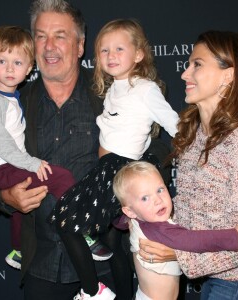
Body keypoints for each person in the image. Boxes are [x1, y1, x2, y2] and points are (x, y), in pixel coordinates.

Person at [0, 1, 123, 299]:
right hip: (40, 266)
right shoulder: (15, 103)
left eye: (60, 35)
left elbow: (155, 148)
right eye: (40, 36)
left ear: (80, 45)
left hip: (101, 268)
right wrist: (6, 198)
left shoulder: (109, 94)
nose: (49, 46)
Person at [50, 19, 179, 299]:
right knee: (114, 245)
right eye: (104, 51)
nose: (111, 56)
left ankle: (92, 292)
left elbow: (175, 125)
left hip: (115, 170)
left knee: (64, 219)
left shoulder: (145, 88)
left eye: (119, 48)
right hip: (108, 170)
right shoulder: (114, 88)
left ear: (139, 54)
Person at [138, 30, 238, 300]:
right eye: (188, 64)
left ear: (228, 75)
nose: (185, 74)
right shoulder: (195, 134)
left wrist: (181, 255)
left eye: (197, 65)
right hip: (215, 276)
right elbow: (190, 207)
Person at [0, 25, 75, 270]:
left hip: (6, 166)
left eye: (17, 63)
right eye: (2, 61)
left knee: (22, 205)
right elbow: (0, 141)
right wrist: (31, 163)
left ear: (29, 68)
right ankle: (81, 226)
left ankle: (18, 251)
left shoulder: (11, 97)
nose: (9, 69)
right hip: (0, 167)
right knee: (60, 177)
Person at [112, 161, 238, 300]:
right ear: (129, 211)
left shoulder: (136, 220)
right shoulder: (159, 229)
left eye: (160, 190)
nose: (157, 200)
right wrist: (235, 235)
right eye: (145, 198)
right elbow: (197, 241)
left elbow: (120, 222)